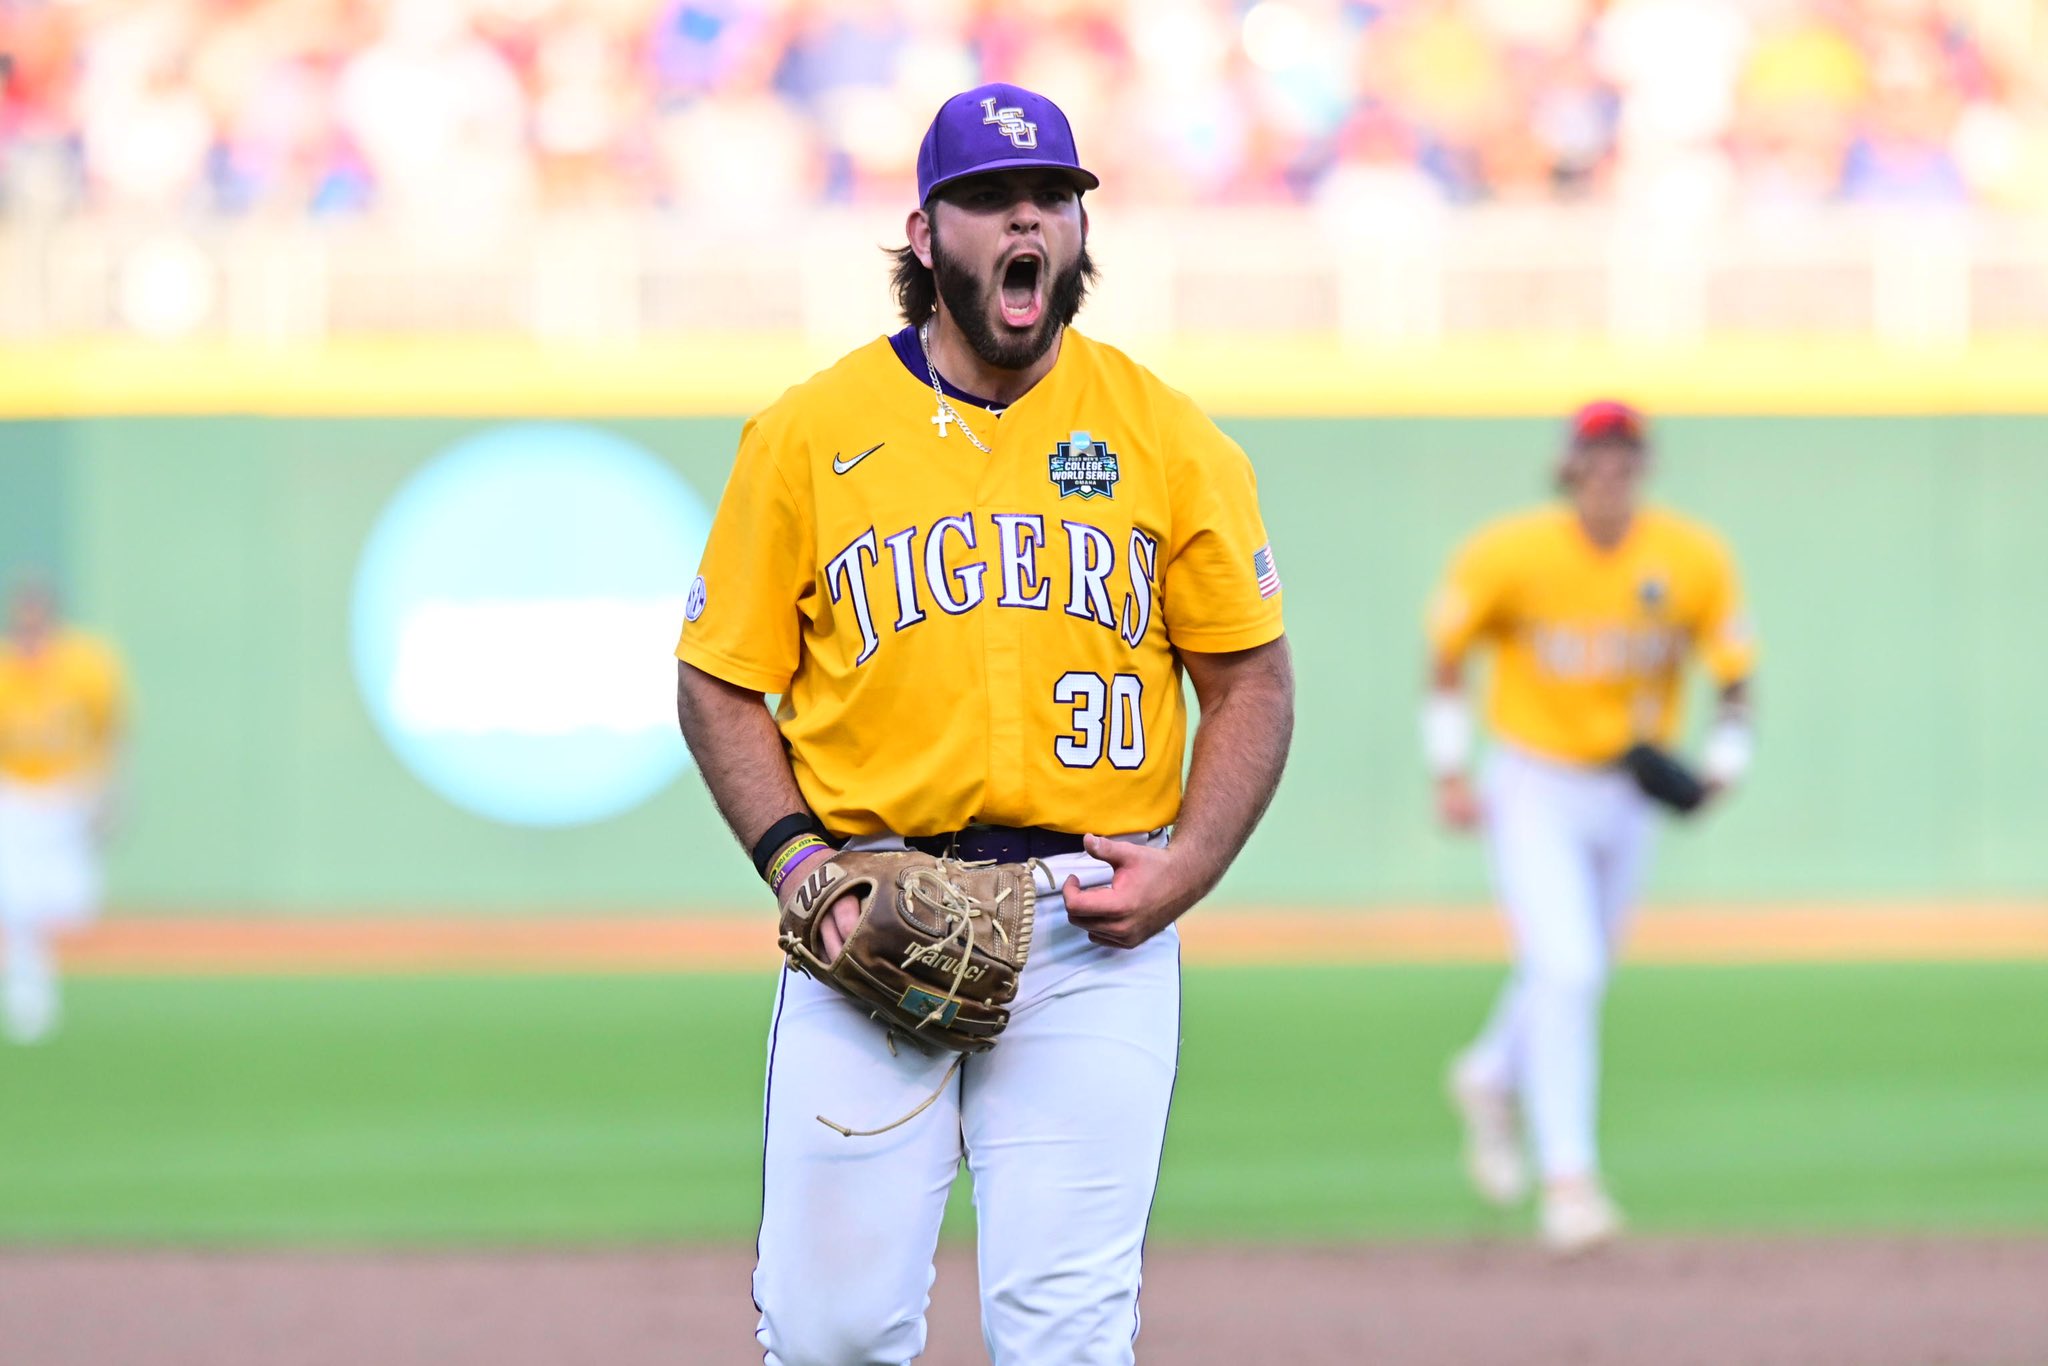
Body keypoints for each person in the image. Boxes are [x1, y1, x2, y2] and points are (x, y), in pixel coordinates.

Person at [674, 82, 1294, 1364]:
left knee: (1065, 1332)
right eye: (989, 200)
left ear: (1078, 231)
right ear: (923, 234)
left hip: (1091, 920)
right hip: (869, 910)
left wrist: (1186, 865)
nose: (1027, 221)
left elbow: (1251, 679)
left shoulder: (1166, 437)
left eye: (1052, 198)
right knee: (831, 1334)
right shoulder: (808, 434)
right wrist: (798, 868)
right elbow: (717, 676)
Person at [1423, 400, 1756, 1253]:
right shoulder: (1511, 553)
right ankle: (1569, 1184)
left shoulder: (1690, 558)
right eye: (1596, 459)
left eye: (1624, 459)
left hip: (1629, 790)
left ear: (1643, 468)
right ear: (1569, 467)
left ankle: (1491, 1071)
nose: (1610, 474)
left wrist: (1725, 764)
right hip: (1535, 781)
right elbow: (1449, 653)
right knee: (1568, 968)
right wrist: (1450, 765)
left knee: (1577, 968)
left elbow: (1734, 673)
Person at [0, 576, 128, 1044]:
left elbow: (112, 730)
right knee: (17, 901)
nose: (30, 631)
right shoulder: (6, 669)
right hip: (15, 793)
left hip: (68, 793)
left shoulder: (86, 665)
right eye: (23, 621)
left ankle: (74, 989)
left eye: (38, 620)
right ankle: (29, 984)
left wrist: (111, 790)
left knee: (72, 907)